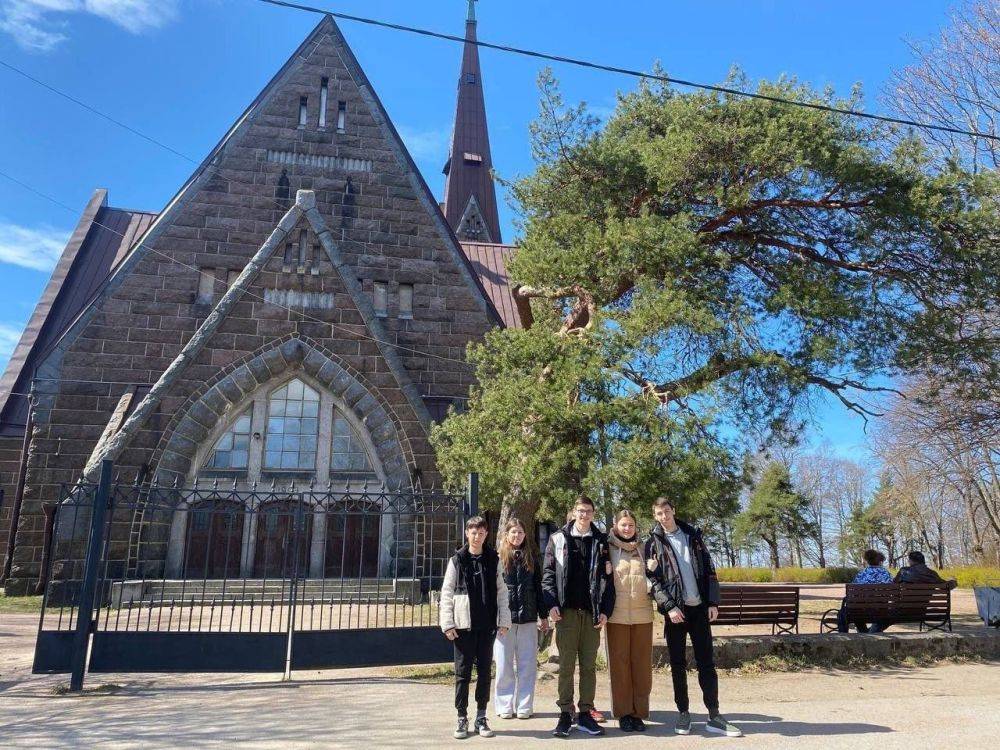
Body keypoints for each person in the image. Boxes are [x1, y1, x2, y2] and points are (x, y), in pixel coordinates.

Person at [645, 496, 742, 738]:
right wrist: (669, 607)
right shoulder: (652, 544)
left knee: (706, 663)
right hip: (675, 613)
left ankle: (714, 714)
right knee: (677, 665)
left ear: (673, 511)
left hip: (699, 609)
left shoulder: (693, 536)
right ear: (654, 516)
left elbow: (709, 569)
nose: (664, 516)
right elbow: (653, 582)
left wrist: (712, 602)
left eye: (667, 511)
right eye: (659, 513)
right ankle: (684, 713)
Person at [542, 495, 615, 738]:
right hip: (567, 614)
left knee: (589, 667)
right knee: (565, 666)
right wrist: (551, 604)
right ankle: (565, 713)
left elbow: (608, 579)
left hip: (592, 613)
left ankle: (585, 713)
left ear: (593, 514)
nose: (584, 515)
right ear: (574, 512)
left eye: (588, 511)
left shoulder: (601, 541)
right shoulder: (558, 538)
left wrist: (605, 610)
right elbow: (549, 575)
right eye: (580, 511)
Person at [440, 516, 512, 739]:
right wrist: (447, 624)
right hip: (462, 626)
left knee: (484, 673)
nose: (477, 536)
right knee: (462, 674)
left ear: (486, 535)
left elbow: (502, 591)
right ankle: (462, 717)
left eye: (481, 532)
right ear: (467, 534)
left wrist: (504, 621)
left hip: (487, 625)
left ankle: (481, 716)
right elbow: (447, 592)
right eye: (473, 532)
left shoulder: (493, 559)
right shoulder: (457, 560)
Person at [494, 518, 547, 720]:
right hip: (504, 622)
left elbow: (539, 590)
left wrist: (543, 616)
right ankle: (504, 705)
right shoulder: (498, 559)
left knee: (527, 665)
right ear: (507, 535)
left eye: (520, 532)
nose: (517, 536)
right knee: (504, 665)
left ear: (525, 535)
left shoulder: (532, 558)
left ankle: (524, 705)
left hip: (528, 619)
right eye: (513, 532)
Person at [606, 509, 654, 733]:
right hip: (616, 616)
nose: (627, 529)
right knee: (620, 665)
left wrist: (655, 570)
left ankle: (639, 713)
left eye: (631, 525)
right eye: (623, 525)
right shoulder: (607, 549)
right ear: (616, 526)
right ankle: (624, 713)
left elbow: (656, 578)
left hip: (643, 615)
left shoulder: (645, 549)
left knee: (641, 665)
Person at [837, 549, 893, 633]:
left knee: (855, 614)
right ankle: (868, 634)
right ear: (879, 561)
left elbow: (853, 592)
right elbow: (891, 590)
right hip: (881, 609)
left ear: (867, 561)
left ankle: (865, 634)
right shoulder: (886, 574)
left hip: (861, 610)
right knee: (883, 619)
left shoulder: (861, 573)